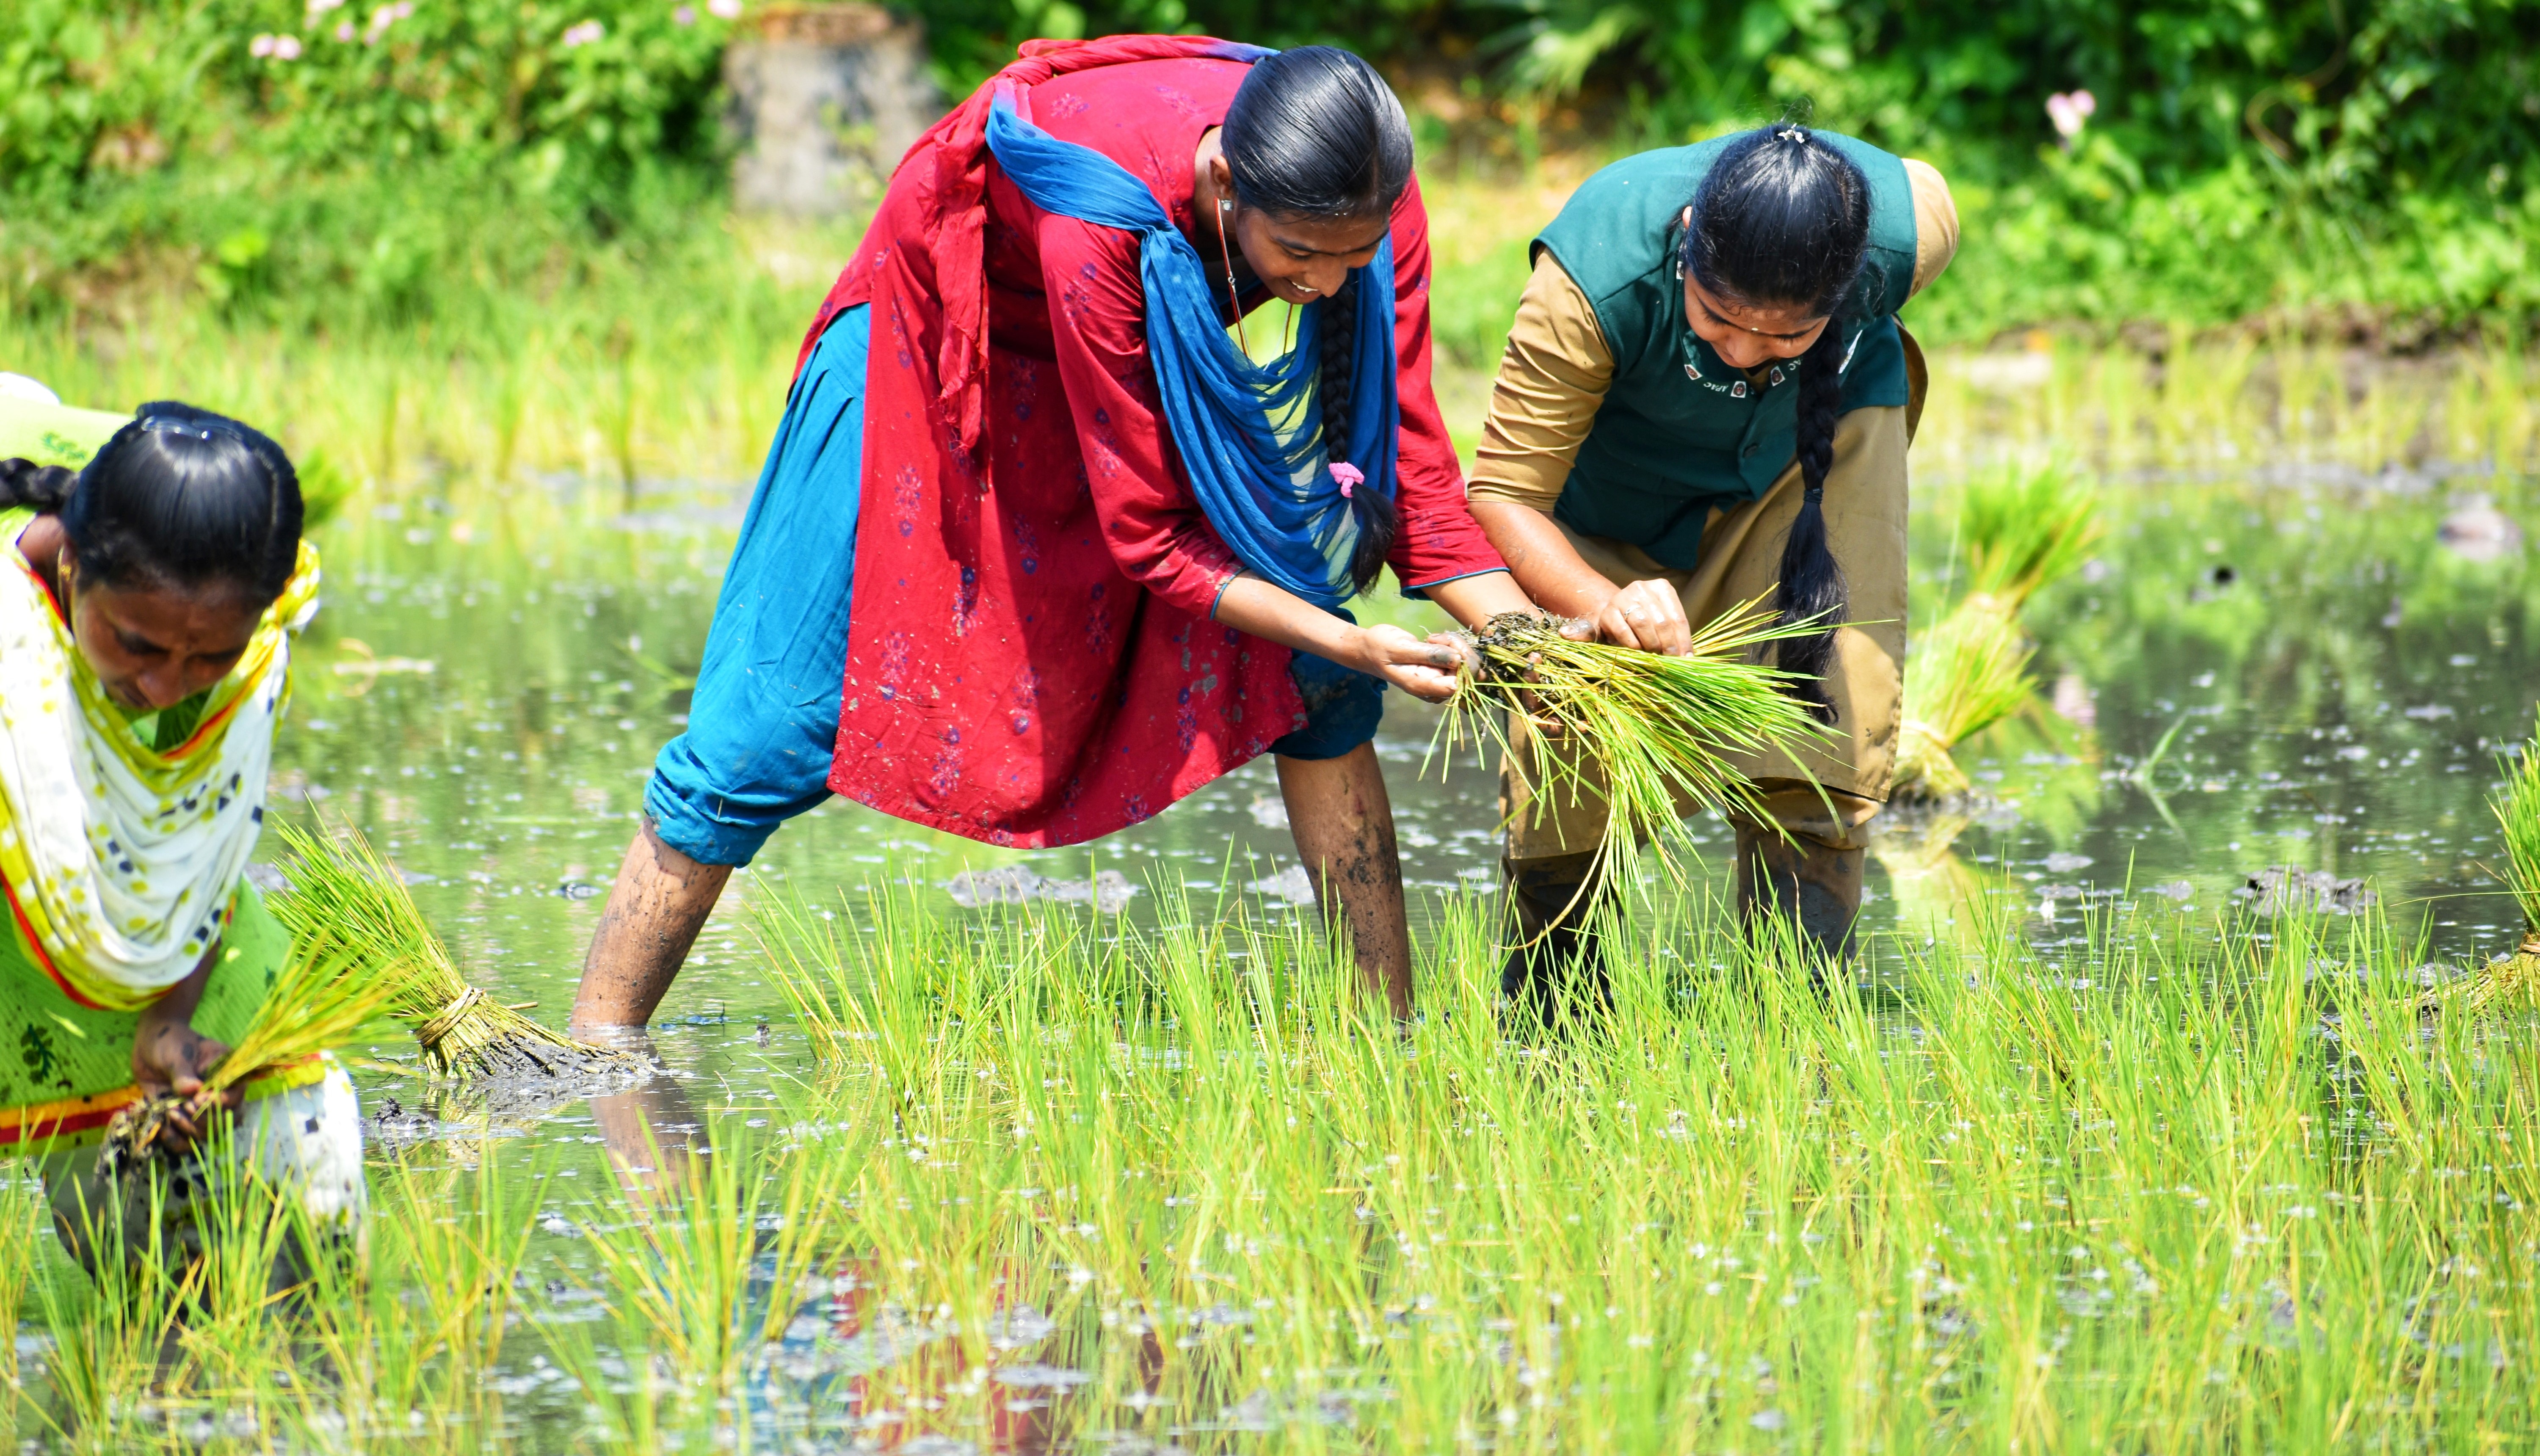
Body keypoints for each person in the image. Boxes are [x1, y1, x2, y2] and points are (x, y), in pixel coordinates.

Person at [572, 38, 1539, 1028]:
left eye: (1353, 259)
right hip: (942, 355)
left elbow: (1411, 462)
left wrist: (1522, 638)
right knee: (773, 716)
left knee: (1315, 684)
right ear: (1225, 181)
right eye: (1301, 257)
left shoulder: (1365, 186)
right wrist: (1351, 633)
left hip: (1135, 362)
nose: (1333, 286)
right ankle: (598, 1047)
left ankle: (1390, 1041)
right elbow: (1153, 539)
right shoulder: (1100, 203)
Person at [1464, 121, 1959, 1012]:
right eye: (1718, 320)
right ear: (1689, 239)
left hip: (1805, 473)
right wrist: (1602, 599)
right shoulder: (1592, 279)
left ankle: (1798, 1024)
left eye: (1783, 337)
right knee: (1572, 748)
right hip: (1606, 511)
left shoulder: (1905, 231)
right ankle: (1555, 1015)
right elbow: (1503, 493)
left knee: (1825, 724)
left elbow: (1927, 198)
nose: (1740, 350)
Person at [0, 400, 363, 1279]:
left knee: (292, 1230)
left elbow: (206, 834)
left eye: (205, 658)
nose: (167, 687)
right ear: (73, 563)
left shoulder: (238, 639)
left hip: (132, 912)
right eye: (137, 645)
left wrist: (171, 1020)